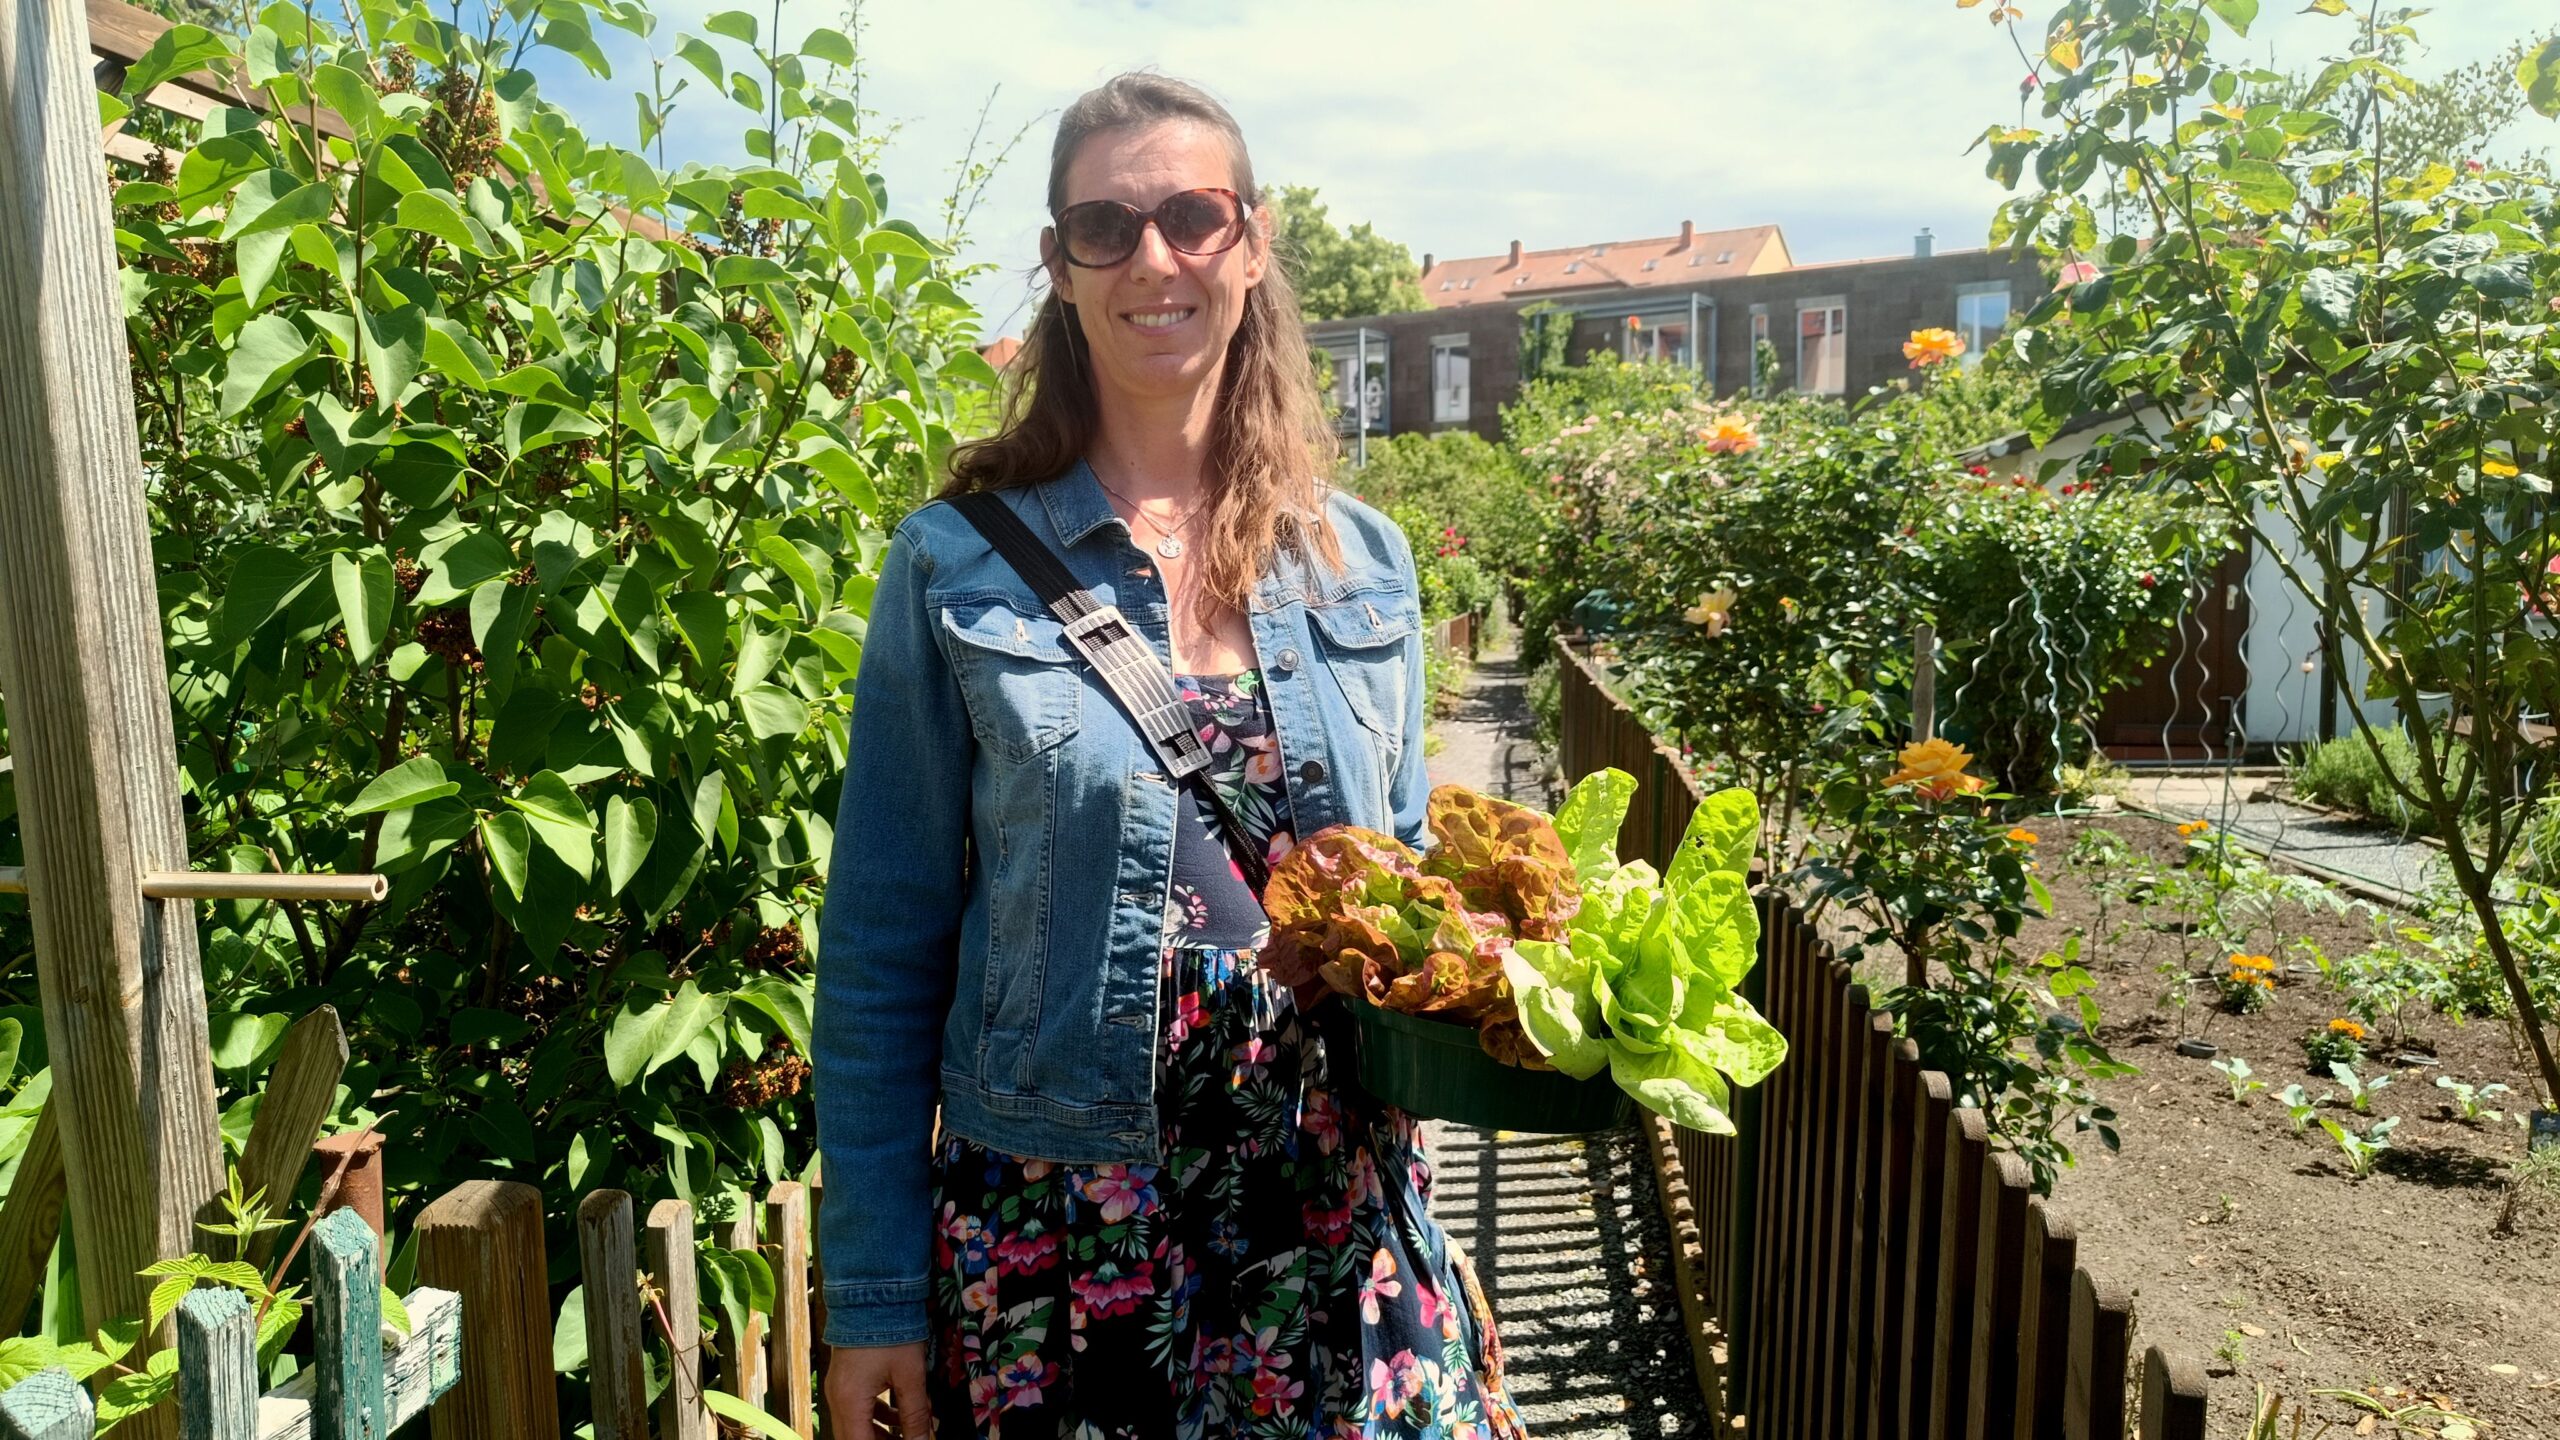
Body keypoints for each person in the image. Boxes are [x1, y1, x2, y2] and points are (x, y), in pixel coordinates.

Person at [814, 71, 1528, 1440]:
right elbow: (881, 945)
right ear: (1060, 268)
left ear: (1251, 248)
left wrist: (1519, 1005)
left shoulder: (1361, 563)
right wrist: (874, 1297)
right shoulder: (956, 567)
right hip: (1063, 1234)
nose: (1154, 256)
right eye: (1106, 224)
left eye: (1193, 216)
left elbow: (1404, 912)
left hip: (1332, 1221)